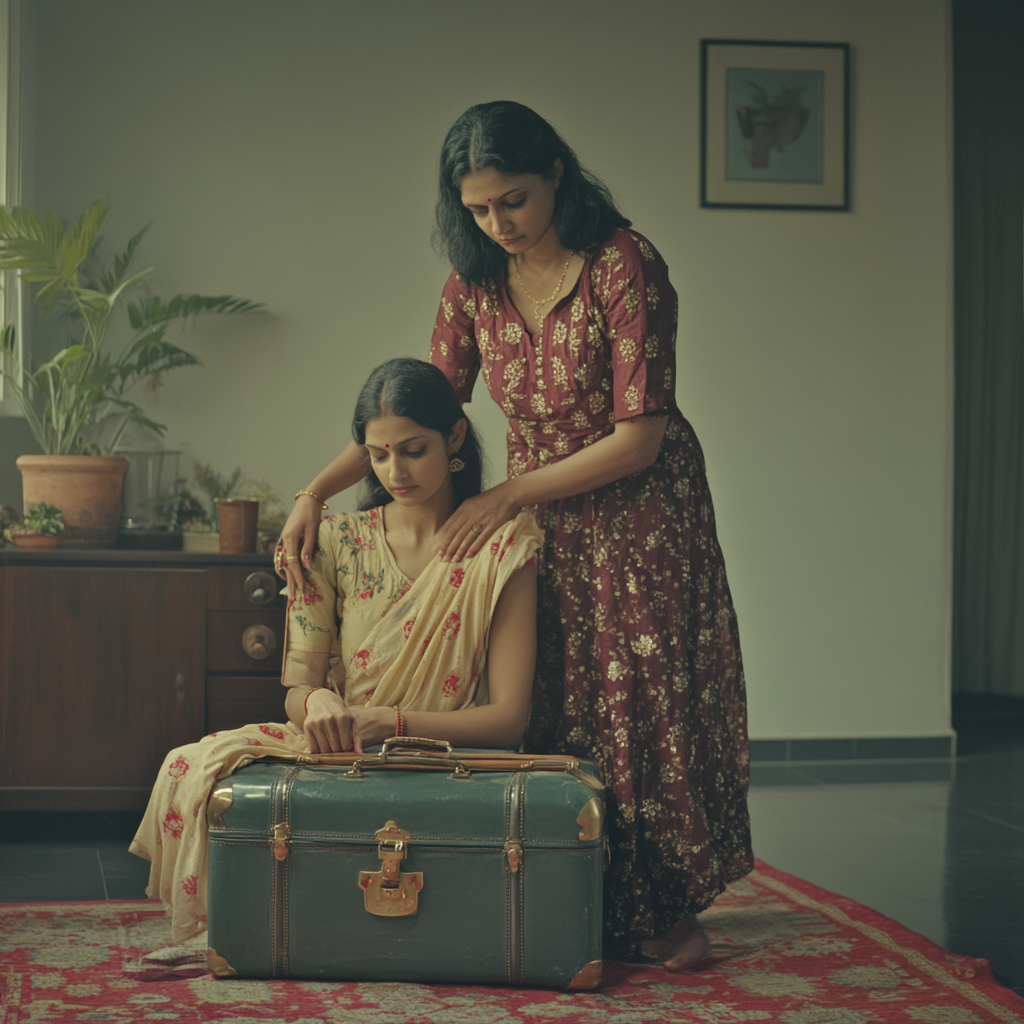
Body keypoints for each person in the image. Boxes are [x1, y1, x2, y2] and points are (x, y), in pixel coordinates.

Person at [280, 101, 753, 968]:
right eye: (479, 209)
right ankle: (569, 885)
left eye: (514, 202)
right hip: (535, 514)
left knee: (636, 705)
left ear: (557, 177)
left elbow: (638, 436)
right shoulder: (473, 282)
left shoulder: (623, 264)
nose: (498, 224)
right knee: (557, 700)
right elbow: (418, 406)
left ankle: (666, 913)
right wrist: (314, 491)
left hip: (638, 511)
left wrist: (504, 495)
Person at [131, 358, 541, 942]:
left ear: (453, 436)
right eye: (377, 455)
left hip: (447, 758)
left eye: (412, 449)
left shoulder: (503, 549)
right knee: (186, 766)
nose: (394, 471)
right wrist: (319, 701)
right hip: (341, 750)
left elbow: (508, 720)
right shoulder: (333, 542)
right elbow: (298, 689)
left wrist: (390, 723)